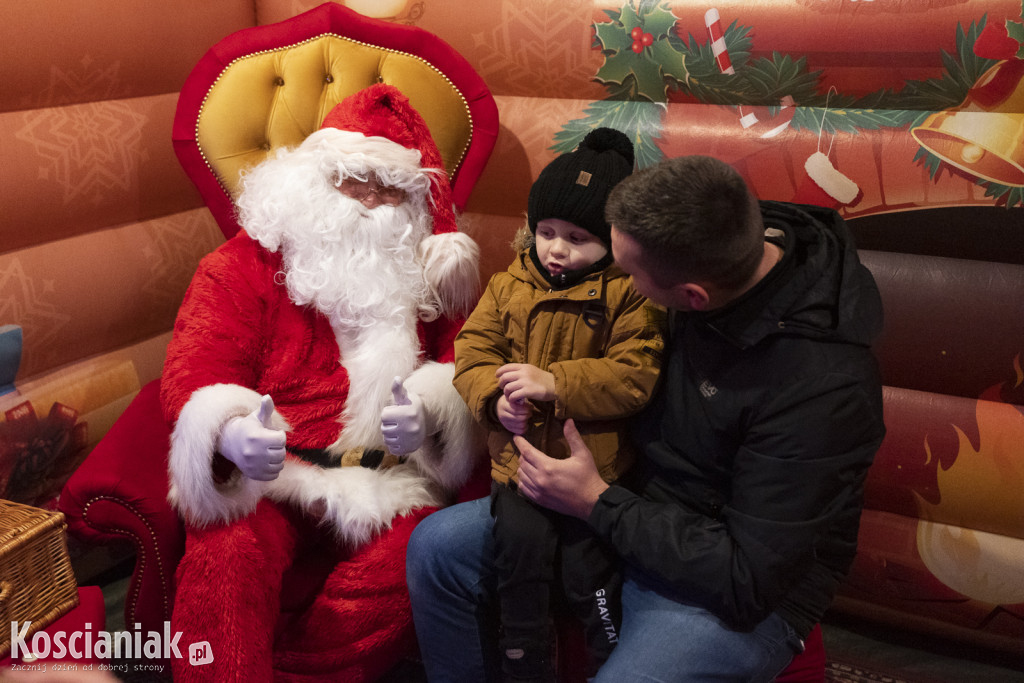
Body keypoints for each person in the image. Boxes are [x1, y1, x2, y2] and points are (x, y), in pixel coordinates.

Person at [407, 154, 886, 681]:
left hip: (728, 573)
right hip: (626, 496)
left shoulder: (823, 390)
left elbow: (745, 575)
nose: (618, 283)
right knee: (437, 549)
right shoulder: (707, 235)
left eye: (629, 274)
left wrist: (595, 501)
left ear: (690, 299)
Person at [160, 84, 483, 682]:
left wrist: (436, 413)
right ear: (311, 179)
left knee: (424, 559)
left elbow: (471, 363)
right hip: (276, 476)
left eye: (390, 187)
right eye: (351, 179)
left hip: (393, 480)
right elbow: (196, 368)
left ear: (415, 202)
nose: (370, 199)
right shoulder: (238, 267)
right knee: (227, 548)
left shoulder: (432, 279)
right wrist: (229, 433)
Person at [452, 128, 665, 681]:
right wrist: (494, 400)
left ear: (613, 240)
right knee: (518, 566)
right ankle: (524, 664)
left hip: (593, 471)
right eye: (546, 232)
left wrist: (555, 382)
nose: (557, 249)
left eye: (577, 237)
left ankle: (611, 662)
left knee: (588, 574)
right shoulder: (509, 284)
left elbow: (637, 375)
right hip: (519, 468)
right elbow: (473, 352)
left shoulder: (629, 292)